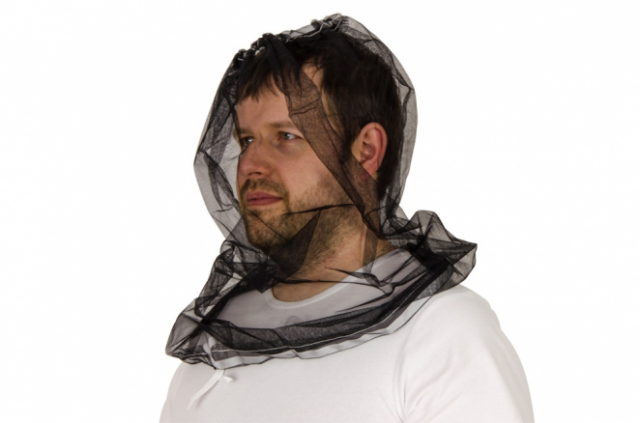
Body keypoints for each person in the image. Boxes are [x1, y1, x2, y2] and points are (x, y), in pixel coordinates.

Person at [161, 14, 534, 422]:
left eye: (286, 136)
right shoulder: (214, 351)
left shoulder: (443, 334)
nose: (249, 164)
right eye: (247, 139)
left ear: (367, 150)